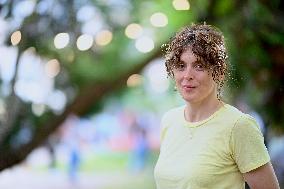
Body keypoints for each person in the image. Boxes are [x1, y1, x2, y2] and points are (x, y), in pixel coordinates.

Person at [154, 23, 280, 189]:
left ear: (219, 72)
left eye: (199, 66)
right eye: (181, 66)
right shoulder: (169, 120)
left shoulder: (238, 126)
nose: (187, 75)